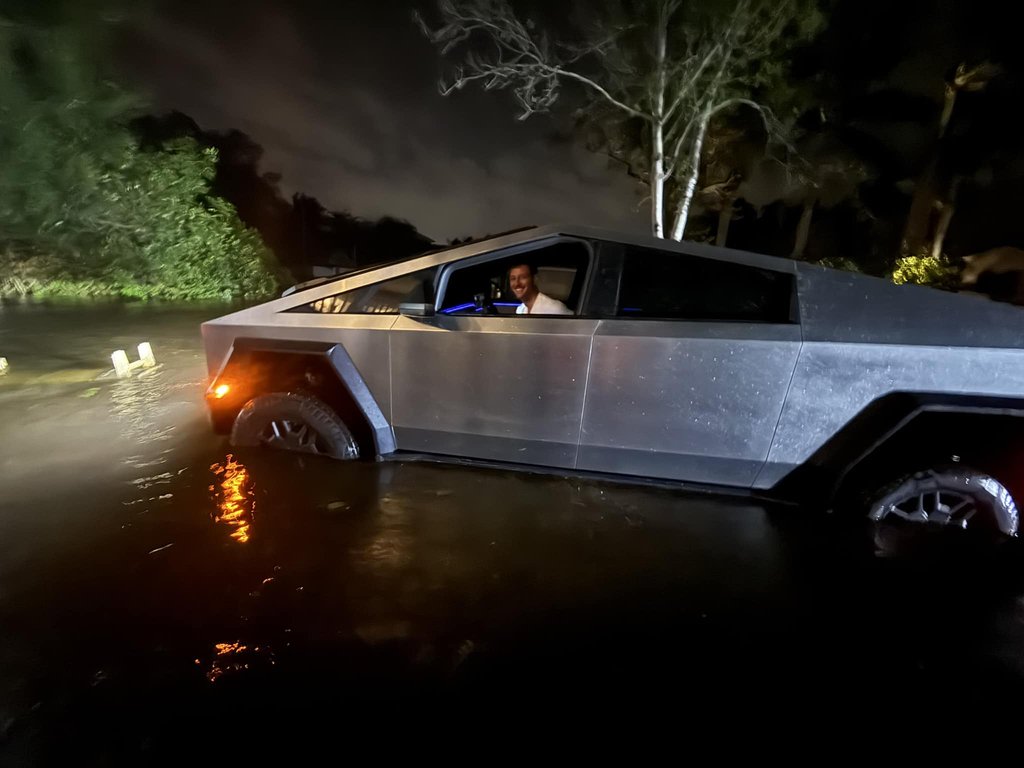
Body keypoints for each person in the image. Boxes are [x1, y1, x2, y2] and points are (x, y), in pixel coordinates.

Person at [508, 263, 572, 315]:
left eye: (523, 277)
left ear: (534, 279)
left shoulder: (554, 309)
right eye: (513, 279)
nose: (517, 283)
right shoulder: (520, 310)